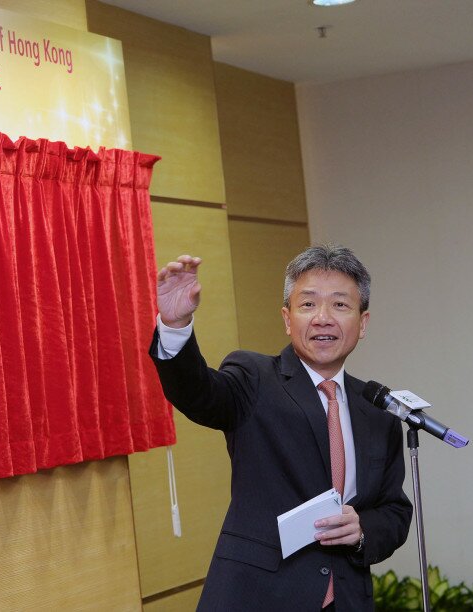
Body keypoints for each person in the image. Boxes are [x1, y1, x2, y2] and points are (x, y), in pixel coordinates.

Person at [150, 245, 412, 612]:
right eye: (308, 305)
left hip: (347, 600)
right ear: (288, 319)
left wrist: (363, 529)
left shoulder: (378, 408)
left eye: (339, 305)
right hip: (259, 597)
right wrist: (175, 327)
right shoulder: (254, 378)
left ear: (363, 322)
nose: (323, 317)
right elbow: (200, 395)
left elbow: (394, 511)